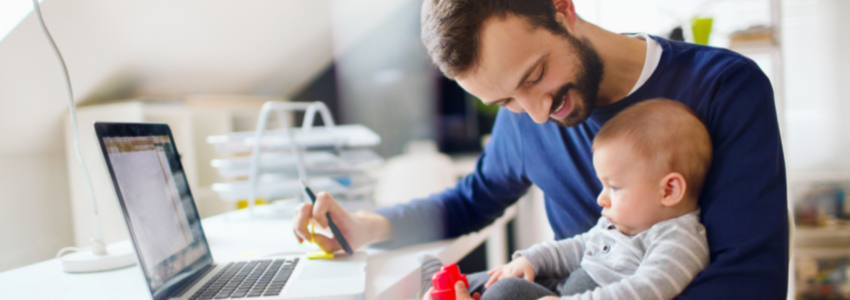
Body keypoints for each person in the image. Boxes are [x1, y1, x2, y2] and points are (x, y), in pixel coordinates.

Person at [292, 0, 788, 298]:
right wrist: (365, 226)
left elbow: (747, 287)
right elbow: (470, 200)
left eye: (534, 76)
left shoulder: (724, 89)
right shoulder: (530, 118)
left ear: (562, 8)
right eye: (505, 99)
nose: (534, 113)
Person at [480, 99, 711, 300]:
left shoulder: (679, 240)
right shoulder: (617, 225)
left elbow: (644, 291)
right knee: (505, 290)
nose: (601, 199)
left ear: (669, 190)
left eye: (615, 187)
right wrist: (533, 259)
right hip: (563, 291)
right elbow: (578, 246)